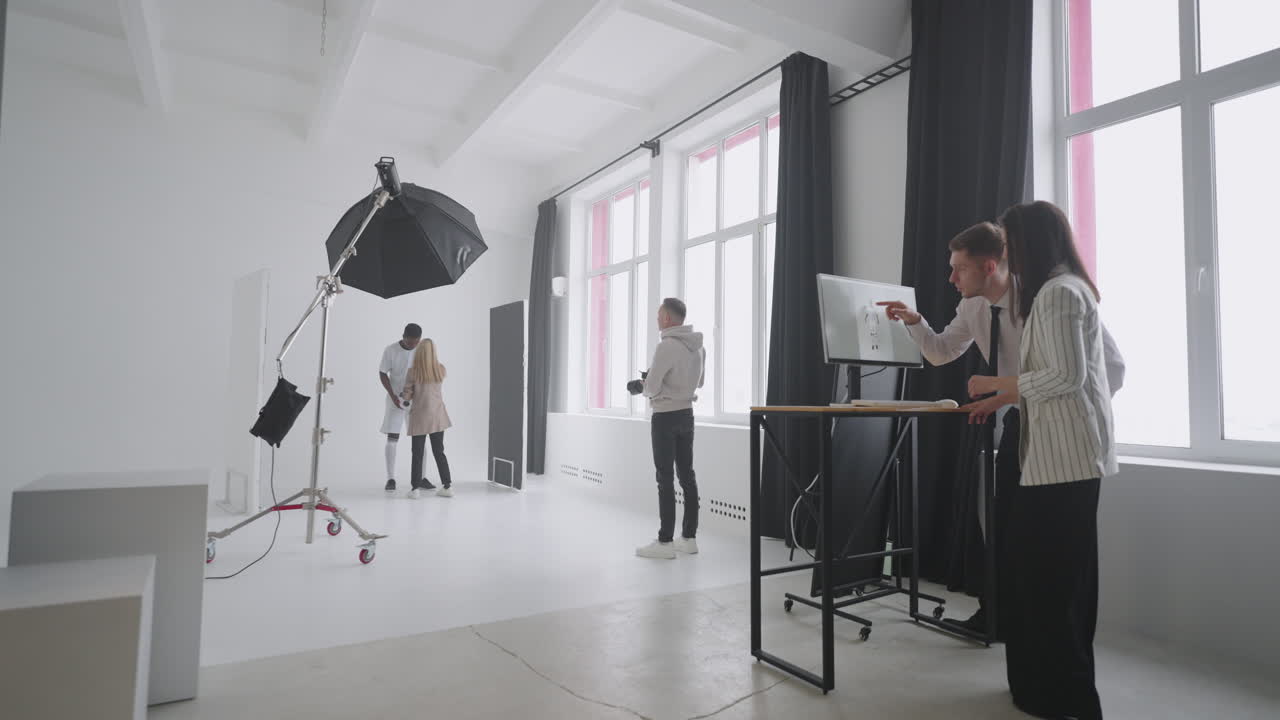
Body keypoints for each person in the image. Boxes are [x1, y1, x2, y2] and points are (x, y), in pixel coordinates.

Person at [879, 222, 1124, 638]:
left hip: (1062, 429)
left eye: (959, 269)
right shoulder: (974, 307)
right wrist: (916, 322)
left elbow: (1109, 371)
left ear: (990, 265)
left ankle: (1038, 634)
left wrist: (1020, 397)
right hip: (1020, 420)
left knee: (1048, 541)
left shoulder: (1045, 301)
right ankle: (995, 617)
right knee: (1004, 524)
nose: (951, 278)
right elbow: (940, 353)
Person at [968, 200, 1117, 720]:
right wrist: (1003, 397)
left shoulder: (1056, 295)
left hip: (1064, 463)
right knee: (1048, 581)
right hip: (1058, 461)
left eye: (1009, 244)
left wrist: (995, 383)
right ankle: (1041, 690)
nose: (1006, 254)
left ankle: (1066, 698)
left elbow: (1063, 378)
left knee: (1054, 586)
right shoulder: (1059, 290)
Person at [628, 298, 705, 560]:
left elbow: (651, 389)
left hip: (664, 417)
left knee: (665, 480)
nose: (657, 318)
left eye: (659, 314)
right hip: (687, 414)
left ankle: (664, 542)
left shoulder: (666, 346)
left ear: (668, 319)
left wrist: (643, 384)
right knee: (687, 476)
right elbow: (700, 382)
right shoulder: (698, 347)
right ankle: (689, 538)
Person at [400, 338, 453, 499]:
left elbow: (408, 394)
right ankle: (447, 486)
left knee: (417, 453)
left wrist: (404, 395)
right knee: (439, 451)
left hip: (420, 416)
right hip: (437, 415)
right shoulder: (441, 369)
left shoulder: (412, 371)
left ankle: (415, 489)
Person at [379, 324, 421, 493]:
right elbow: (382, 373)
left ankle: (421, 477)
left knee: (419, 438)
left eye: (416, 343)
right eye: (410, 342)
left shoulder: (420, 350)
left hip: (416, 399)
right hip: (395, 398)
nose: (413, 346)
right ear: (404, 336)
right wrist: (392, 395)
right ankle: (391, 478)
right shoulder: (391, 350)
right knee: (392, 438)